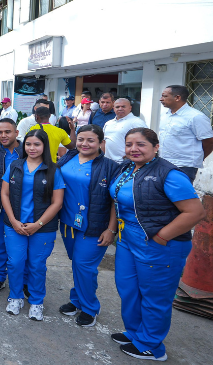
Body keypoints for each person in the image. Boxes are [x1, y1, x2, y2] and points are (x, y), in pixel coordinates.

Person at [109, 128, 204, 361]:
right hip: (127, 239)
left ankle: (151, 345)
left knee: (155, 296)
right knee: (128, 289)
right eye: (129, 144)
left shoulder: (169, 174)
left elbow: (195, 212)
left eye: (141, 144)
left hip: (159, 243)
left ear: (156, 147)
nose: (134, 149)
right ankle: (135, 333)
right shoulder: (127, 168)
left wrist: (161, 237)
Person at [56, 124, 119, 327]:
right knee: (77, 263)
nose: (85, 144)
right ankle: (77, 300)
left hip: (94, 225)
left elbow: (115, 202)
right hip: (67, 222)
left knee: (85, 266)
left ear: (101, 143)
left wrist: (111, 229)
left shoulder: (110, 167)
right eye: (81, 139)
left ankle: (90, 307)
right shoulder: (68, 157)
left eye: (91, 140)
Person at [1, 129, 65, 321]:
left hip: (42, 228)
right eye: (28, 144)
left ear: (44, 146)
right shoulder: (15, 166)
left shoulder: (53, 170)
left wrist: (38, 224)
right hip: (15, 225)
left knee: (37, 265)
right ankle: (16, 297)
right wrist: (13, 220)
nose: (32, 148)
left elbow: (57, 202)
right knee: (15, 263)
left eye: (37, 144)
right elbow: (4, 194)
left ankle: (36, 301)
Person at [0, 118, 22, 294]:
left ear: (16, 132)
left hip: (24, 202)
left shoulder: (28, 150)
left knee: (22, 243)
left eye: (7, 132)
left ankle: (25, 280)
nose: (2, 135)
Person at [158, 85, 213, 182]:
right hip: (163, 163)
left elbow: (209, 141)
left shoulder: (195, 117)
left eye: (164, 96)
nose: (161, 99)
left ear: (177, 98)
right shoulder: (165, 115)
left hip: (184, 166)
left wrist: (199, 157)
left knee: (179, 196)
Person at [102, 98, 146, 163]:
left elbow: (145, 141)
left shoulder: (136, 122)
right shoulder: (108, 123)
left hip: (125, 163)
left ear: (130, 108)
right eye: (117, 107)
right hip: (108, 162)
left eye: (123, 106)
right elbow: (104, 142)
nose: (120, 109)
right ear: (114, 109)